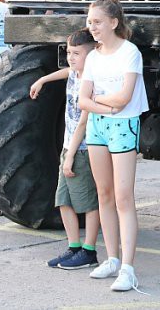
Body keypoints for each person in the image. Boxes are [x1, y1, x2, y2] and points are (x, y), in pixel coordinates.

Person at [78, 0, 149, 292]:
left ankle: (129, 268)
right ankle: (112, 259)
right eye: (89, 22)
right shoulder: (93, 56)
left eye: (96, 22)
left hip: (123, 125)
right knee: (104, 194)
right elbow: (81, 99)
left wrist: (99, 101)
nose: (91, 27)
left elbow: (125, 97)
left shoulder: (130, 53)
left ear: (113, 23)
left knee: (123, 197)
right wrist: (104, 106)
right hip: (98, 124)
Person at [30, 29, 102, 270]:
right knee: (63, 200)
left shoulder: (91, 81)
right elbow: (67, 71)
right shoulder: (75, 73)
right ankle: (73, 247)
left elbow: (83, 121)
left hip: (81, 148)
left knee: (88, 202)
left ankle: (89, 250)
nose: (71, 58)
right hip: (68, 147)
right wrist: (42, 80)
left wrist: (70, 155)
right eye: (69, 52)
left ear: (91, 54)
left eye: (77, 53)